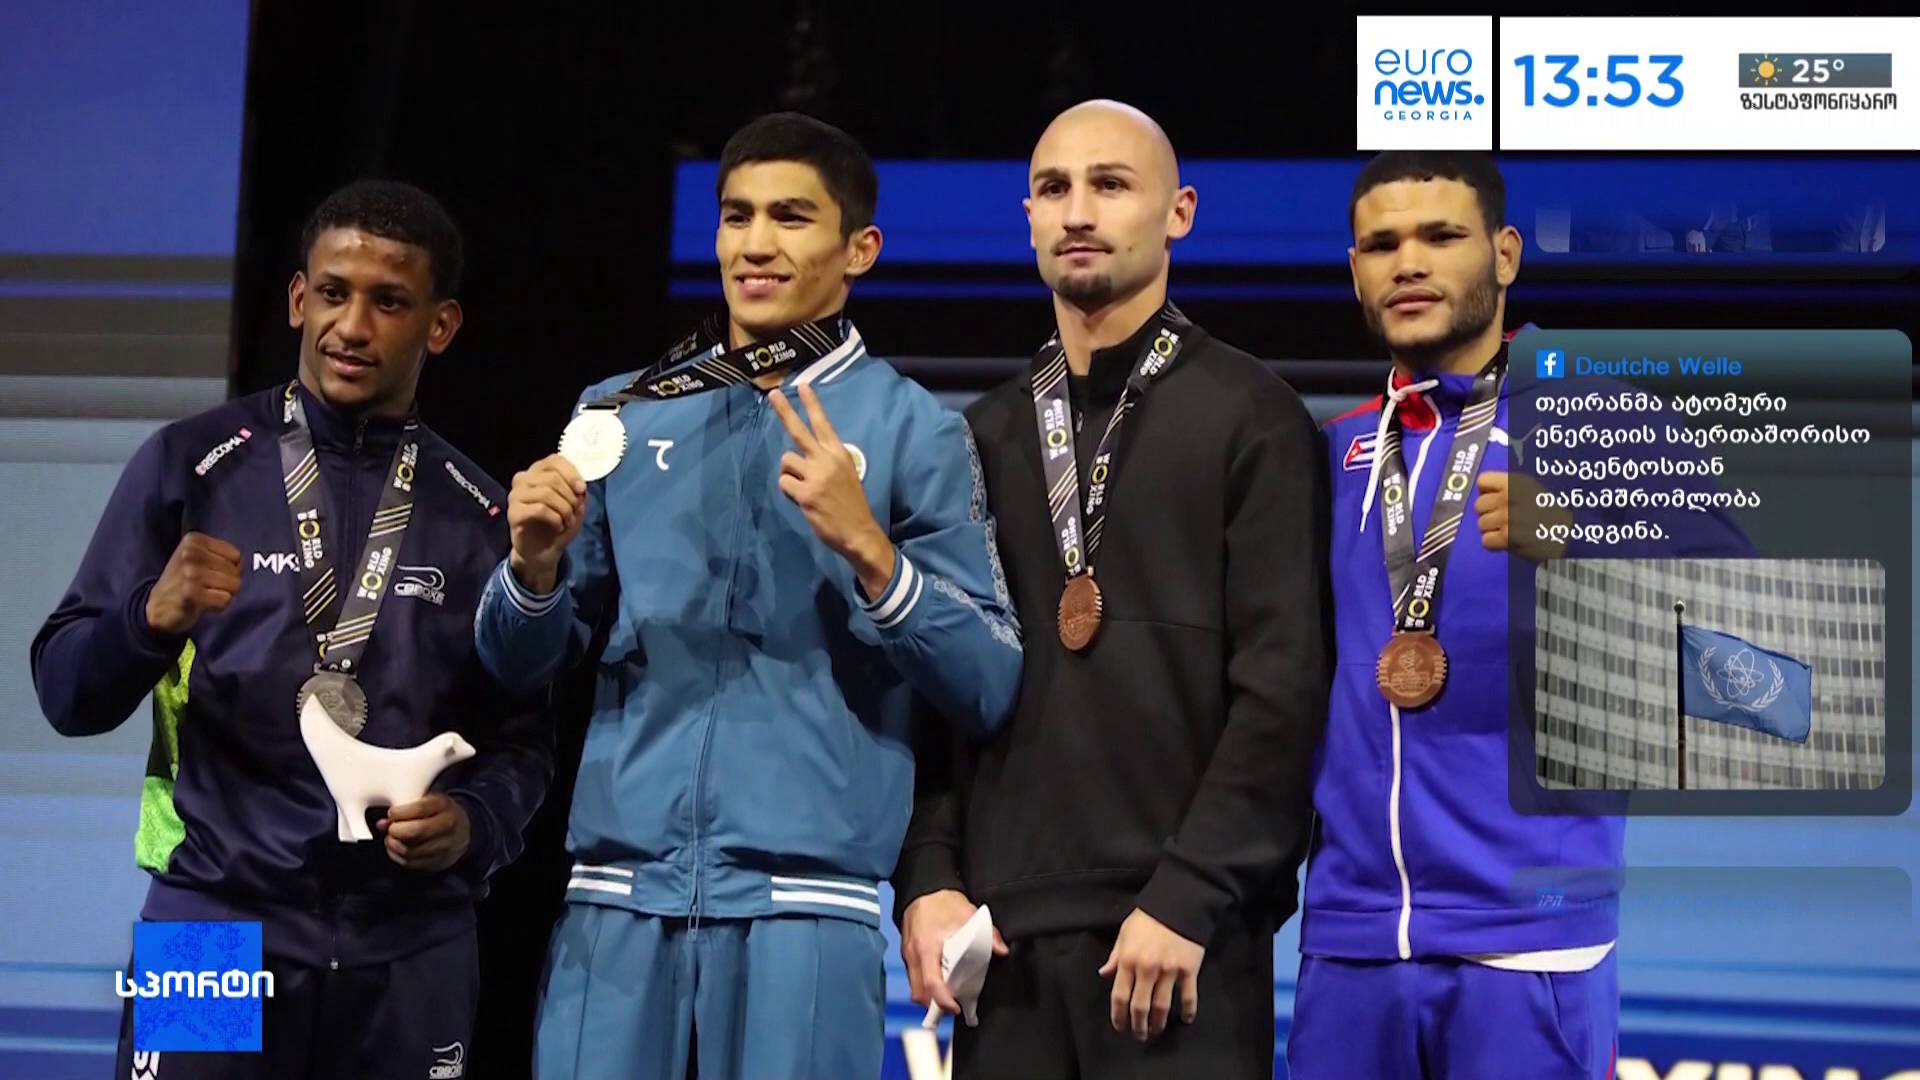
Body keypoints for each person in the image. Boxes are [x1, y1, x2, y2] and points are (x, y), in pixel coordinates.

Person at [473, 112, 1023, 1080]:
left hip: (807, 908)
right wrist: (532, 570)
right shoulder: (620, 411)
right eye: (737, 216)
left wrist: (872, 554)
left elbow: (990, 682)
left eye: (791, 217)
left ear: (860, 250)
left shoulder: (916, 430)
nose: (756, 243)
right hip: (617, 897)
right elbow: (518, 667)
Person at [32, 179, 553, 1080]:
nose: (351, 326)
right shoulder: (189, 467)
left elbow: (524, 741)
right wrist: (148, 618)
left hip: (411, 945)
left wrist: (474, 824)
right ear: (297, 299)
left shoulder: (479, 513)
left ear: (439, 326)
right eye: (333, 293)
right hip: (209, 923)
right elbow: (65, 693)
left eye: (389, 301)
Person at [893, 99, 1330, 1079]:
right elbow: (937, 689)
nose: (1079, 210)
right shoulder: (981, 437)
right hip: (1002, 951)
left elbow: (1284, 690)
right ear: (1028, 218)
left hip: (1182, 944)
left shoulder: (1254, 418)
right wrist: (927, 877)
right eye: (1054, 188)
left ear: (1180, 212)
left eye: (1111, 184)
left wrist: (1191, 892)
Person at [1289, 151, 1623, 1079]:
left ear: (1505, 254)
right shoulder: (1329, 455)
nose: (1408, 263)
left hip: (1529, 947)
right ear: (1353, 269)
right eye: (1381, 244)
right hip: (1350, 948)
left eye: (1441, 236)